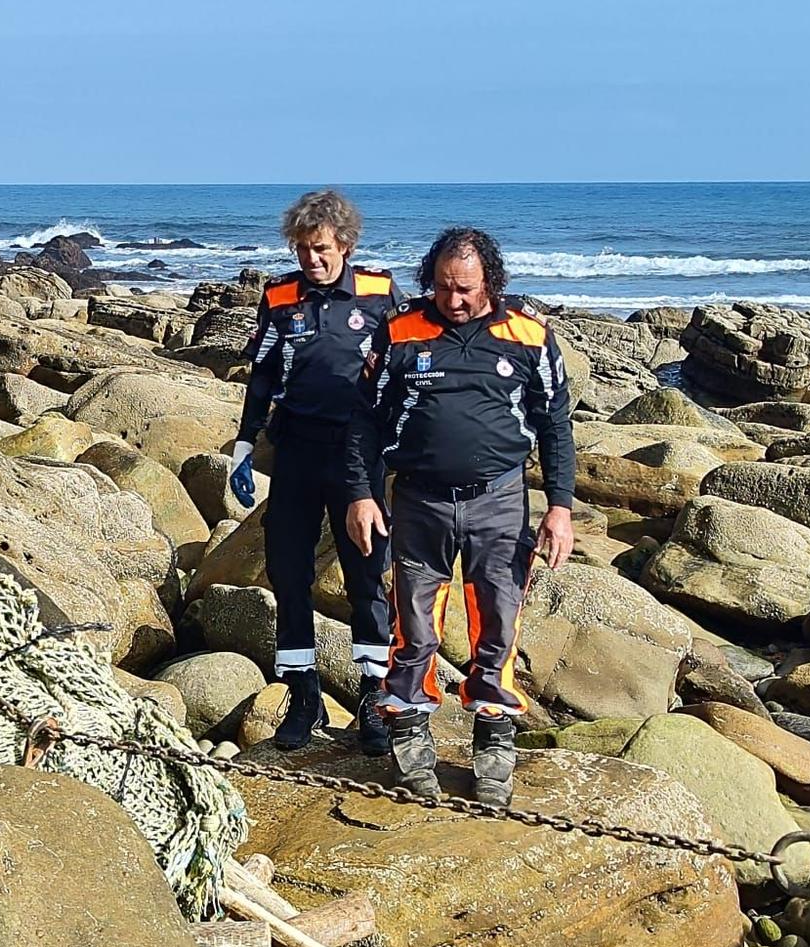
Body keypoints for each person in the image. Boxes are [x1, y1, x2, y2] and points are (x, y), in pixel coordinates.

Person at [341, 226, 574, 806]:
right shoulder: (399, 331)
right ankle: (410, 733)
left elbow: (555, 426)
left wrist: (560, 509)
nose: (455, 299)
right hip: (418, 500)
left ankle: (494, 742)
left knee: (496, 622)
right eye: (444, 287)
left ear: (490, 282)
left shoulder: (530, 336)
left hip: (500, 500)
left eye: (466, 288)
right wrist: (360, 495)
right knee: (413, 625)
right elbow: (362, 421)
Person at [228, 189, 410, 753]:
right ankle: (301, 695)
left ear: (346, 245)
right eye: (303, 249)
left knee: (365, 576)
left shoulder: (381, 293)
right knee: (289, 576)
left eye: (323, 248)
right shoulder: (279, 295)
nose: (313, 259)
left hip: (360, 460)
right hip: (297, 452)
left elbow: (410, 368)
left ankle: (374, 697)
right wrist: (243, 442)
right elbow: (261, 374)